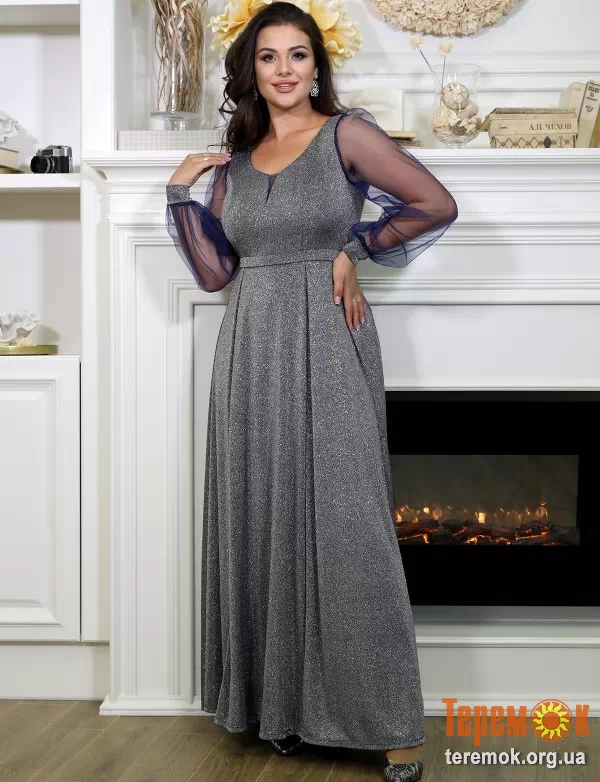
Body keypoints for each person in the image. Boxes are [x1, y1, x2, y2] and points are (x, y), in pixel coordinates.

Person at [165, 4, 458, 780]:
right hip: (249, 352)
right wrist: (179, 195)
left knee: (349, 524)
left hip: (329, 340)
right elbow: (217, 273)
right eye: (269, 57)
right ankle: (284, 711)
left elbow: (435, 204)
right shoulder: (234, 164)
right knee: (263, 520)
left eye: (298, 54)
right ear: (251, 70)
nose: (285, 70)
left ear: (317, 65)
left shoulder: (346, 136)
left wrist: (354, 246)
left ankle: (393, 726)